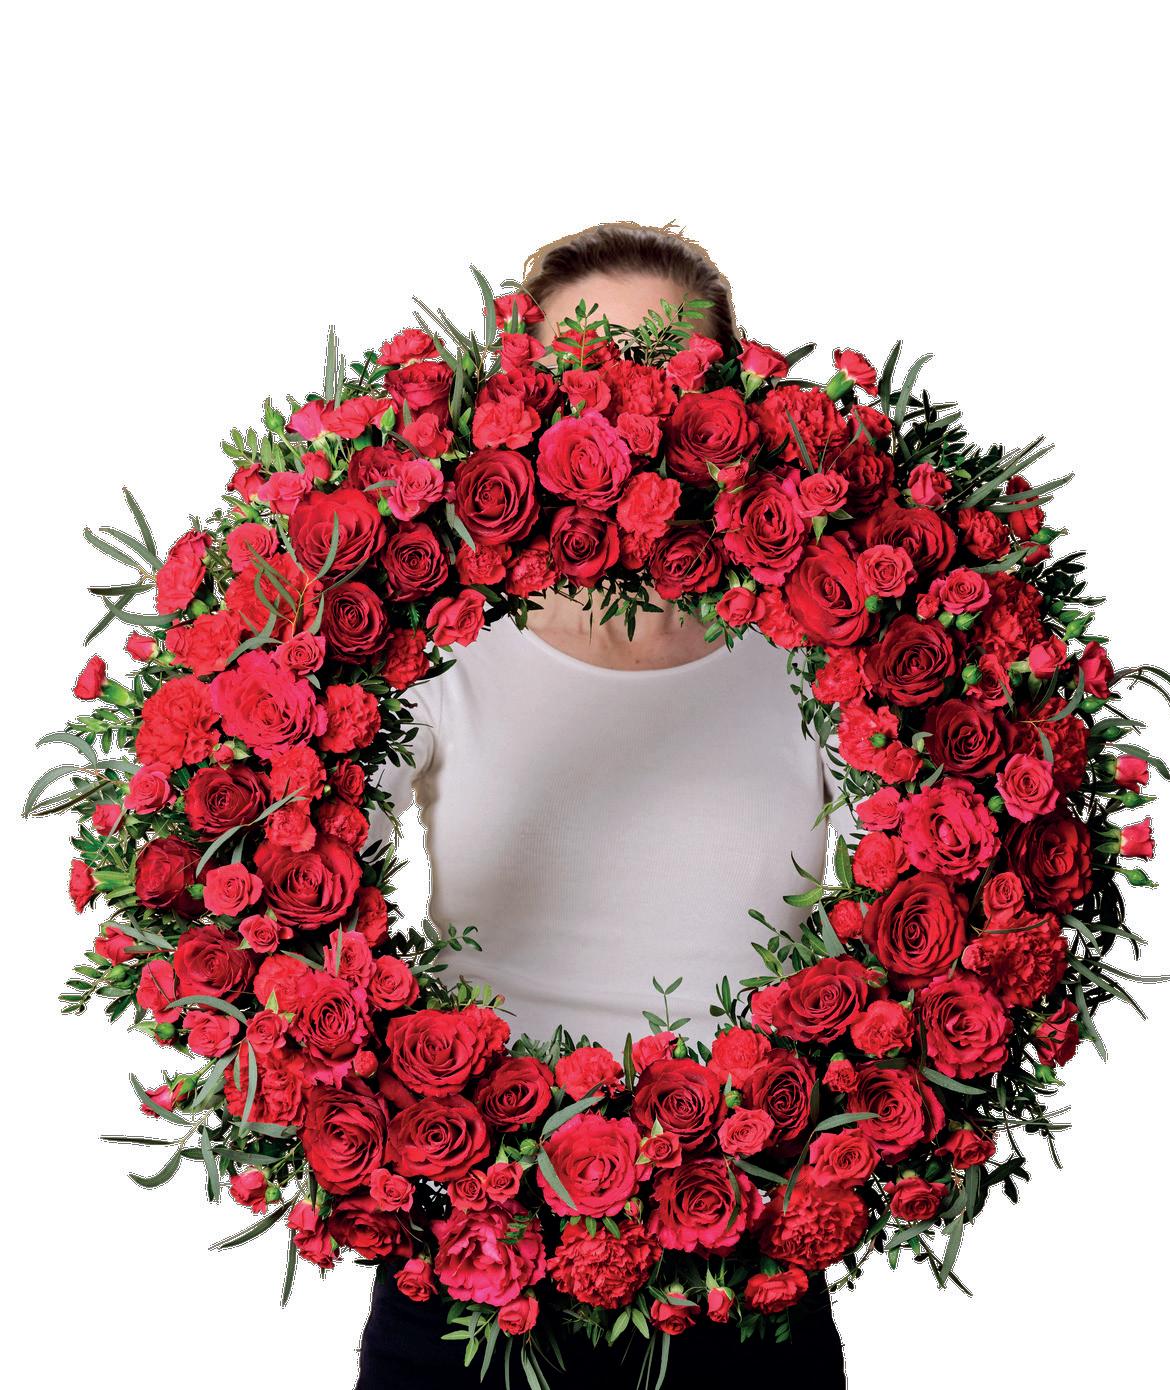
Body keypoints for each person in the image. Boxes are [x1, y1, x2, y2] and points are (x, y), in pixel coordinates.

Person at [354, 221, 851, 1388]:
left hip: (744, 1267)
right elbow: (309, 894)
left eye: (666, 365)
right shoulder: (441, 645)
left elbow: (917, 904)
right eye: (589, 366)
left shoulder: (821, 648)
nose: (629, 400)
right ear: (521, 397)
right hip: (468, 1265)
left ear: (729, 400)